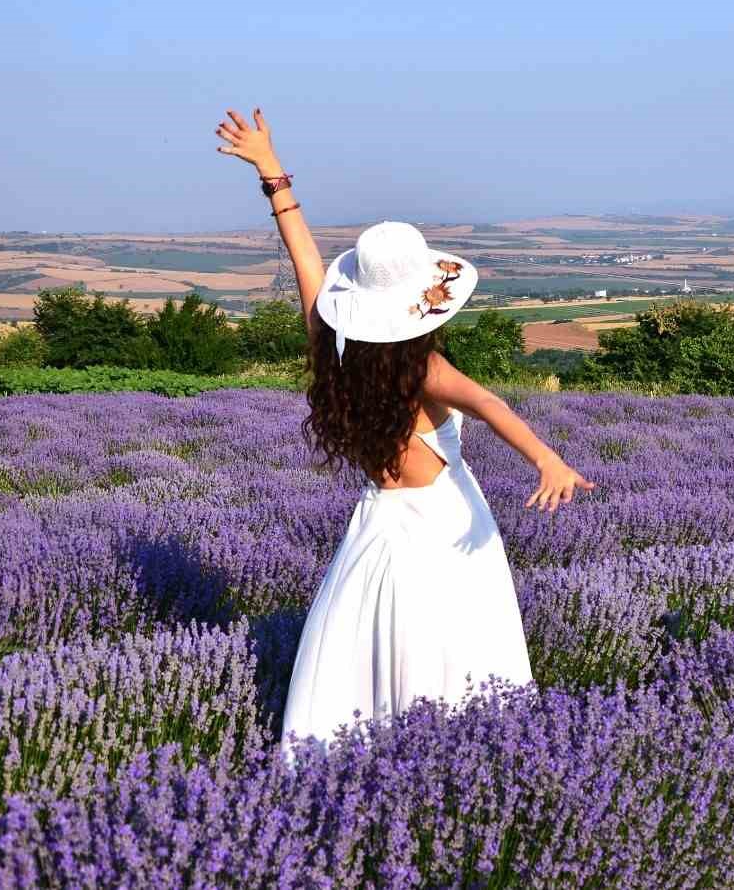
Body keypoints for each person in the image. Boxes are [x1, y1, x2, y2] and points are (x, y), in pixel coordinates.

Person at [215, 108, 594, 761]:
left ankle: (353, 780)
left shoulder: (331, 350)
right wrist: (547, 460)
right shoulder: (424, 367)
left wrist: (271, 171)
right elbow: (491, 403)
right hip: (445, 531)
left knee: (362, 657)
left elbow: (303, 256)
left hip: (377, 528)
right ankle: (461, 774)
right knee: (459, 660)